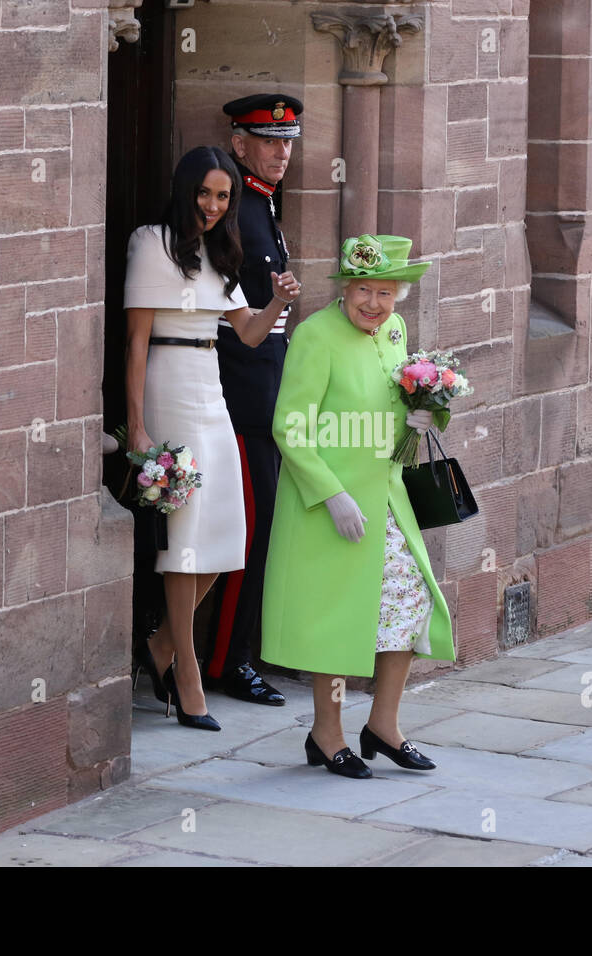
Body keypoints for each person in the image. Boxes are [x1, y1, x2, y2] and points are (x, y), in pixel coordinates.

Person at [261, 235, 455, 777]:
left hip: (388, 499)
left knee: (406, 608)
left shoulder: (394, 330)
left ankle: (383, 727)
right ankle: (327, 734)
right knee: (337, 620)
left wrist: (427, 417)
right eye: (363, 290)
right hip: (331, 508)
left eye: (385, 292)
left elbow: (398, 403)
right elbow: (290, 429)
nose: (374, 302)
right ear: (345, 288)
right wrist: (332, 494)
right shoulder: (314, 336)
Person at [124, 146, 300, 731]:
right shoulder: (151, 241)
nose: (213, 205)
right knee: (187, 537)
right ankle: (188, 675)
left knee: (229, 533)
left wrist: (278, 298)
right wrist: (138, 424)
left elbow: (248, 333)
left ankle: (163, 649)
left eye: (223, 196)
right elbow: (137, 342)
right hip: (168, 388)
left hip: (210, 385)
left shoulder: (220, 251)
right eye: (205, 193)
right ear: (185, 189)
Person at [202, 93, 305, 707]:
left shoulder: (264, 208)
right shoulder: (234, 210)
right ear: (239, 143)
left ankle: (236, 653)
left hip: (266, 395)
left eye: (287, 141)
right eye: (268, 141)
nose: (280, 152)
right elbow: (235, 321)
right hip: (239, 399)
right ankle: (226, 661)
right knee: (247, 528)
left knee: (261, 526)